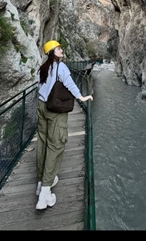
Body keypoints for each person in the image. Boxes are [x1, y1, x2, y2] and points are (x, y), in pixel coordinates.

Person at [35, 40, 93, 210]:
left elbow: (41, 87)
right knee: (56, 145)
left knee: (42, 143)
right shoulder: (61, 67)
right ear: (53, 52)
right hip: (54, 110)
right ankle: (45, 193)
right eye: (59, 48)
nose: (61, 50)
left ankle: (40, 182)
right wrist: (81, 97)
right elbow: (69, 83)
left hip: (41, 106)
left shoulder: (43, 68)